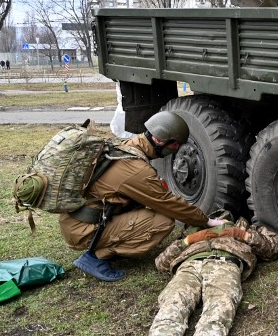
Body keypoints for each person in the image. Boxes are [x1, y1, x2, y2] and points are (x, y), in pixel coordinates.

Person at [95, 218, 278, 336]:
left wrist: (243, 235)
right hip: (188, 265)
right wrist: (188, 241)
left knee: (221, 302)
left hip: (226, 262)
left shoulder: (247, 226)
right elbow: (161, 263)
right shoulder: (191, 229)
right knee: (173, 301)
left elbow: (272, 249)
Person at [61, 111, 215, 282]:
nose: (176, 150)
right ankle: (95, 256)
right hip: (83, 230)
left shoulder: (127, 146)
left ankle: (104, 244)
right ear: (158, 140)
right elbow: (168, 203)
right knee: (163, 222)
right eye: (175, 145)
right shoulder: (136, 169)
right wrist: (206, 221)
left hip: (76, 221)